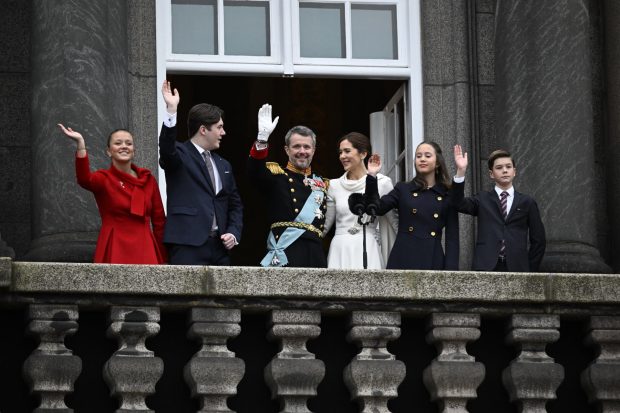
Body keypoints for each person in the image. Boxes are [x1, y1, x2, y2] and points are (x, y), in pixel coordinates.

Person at [159, 80, 243, 265]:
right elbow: (166, 149)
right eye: (219, 127)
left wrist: (233, 233)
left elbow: (235, 205)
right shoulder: (180, 154)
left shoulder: (224, 165)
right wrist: (171, 111)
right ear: (203, 129)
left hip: (220, 248)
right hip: (187, 244)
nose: (224, 132)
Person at [58, 124, 167, 264]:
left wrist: (163, 256)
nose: (124, 146)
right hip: (114, 244)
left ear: (134, 151)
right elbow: (84, 179)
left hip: (145, 246)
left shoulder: (148, 180)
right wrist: (81, 144)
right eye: (118, 143)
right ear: (109, 151)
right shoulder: (104, 178)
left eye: (129, 143)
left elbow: (159, 221)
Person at [247, 104, 328, 267]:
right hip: (287, 251)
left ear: (313, 150)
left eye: (307, 147)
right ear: (287, 150)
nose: (302, 151)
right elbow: (254, 172)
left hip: (315, 253)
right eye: (296, 146)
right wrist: (262, 139)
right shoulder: (277, 176)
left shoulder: (322, 183)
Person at [365, 141, 459, 270]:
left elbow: (452, 238)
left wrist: (451, 273)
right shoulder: (403, 189)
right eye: (418, 156)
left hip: (433, 259)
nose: (422, 159)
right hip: (403, 256)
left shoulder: (447, 194)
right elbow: (377, 208)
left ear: (437, 162)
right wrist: (371, 176)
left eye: (427, 155)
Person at [452, 145, 546, 271]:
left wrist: (530, 270)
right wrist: (461, 171)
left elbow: (538, 240)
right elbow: (458, 203)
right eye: (499, 168)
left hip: (518, 267)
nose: (505, 170)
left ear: (514, 171)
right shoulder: (482, 199)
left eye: (508, 167)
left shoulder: (527, 202)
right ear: (491, 174)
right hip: (486, 266)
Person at [323, 132, 397, 269]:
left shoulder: (382, 182)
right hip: (340, 249)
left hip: (369, 246)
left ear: (363, 154)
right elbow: (325, 226)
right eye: (340, 152)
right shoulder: (334, 185)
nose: (342, 156)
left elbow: (393, 222)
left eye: (347, 151)